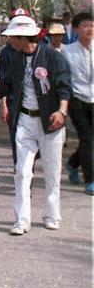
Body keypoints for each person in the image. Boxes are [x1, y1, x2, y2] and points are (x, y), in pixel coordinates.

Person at [0, 15, 71, 234]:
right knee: (22, 171)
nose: (9, 40)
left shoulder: (52, 57)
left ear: (23, 37)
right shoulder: (16, 59)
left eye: (12, 36)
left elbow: (64, 86)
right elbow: (5, 86)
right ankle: (22, 220)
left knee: (52, 170)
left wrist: (62, 111)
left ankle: (51, 214)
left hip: (50, 122)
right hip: (25, 121)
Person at [60, 12, 93, 194]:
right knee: (87, 137)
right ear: (76, 29)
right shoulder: (67, 51)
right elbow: (63, 78)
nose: (89, 29)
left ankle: (73, 164)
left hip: (93, 97)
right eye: (85, 26)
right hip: (77, 99)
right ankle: (90, 180)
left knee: (91, 140)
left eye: (92, 26)